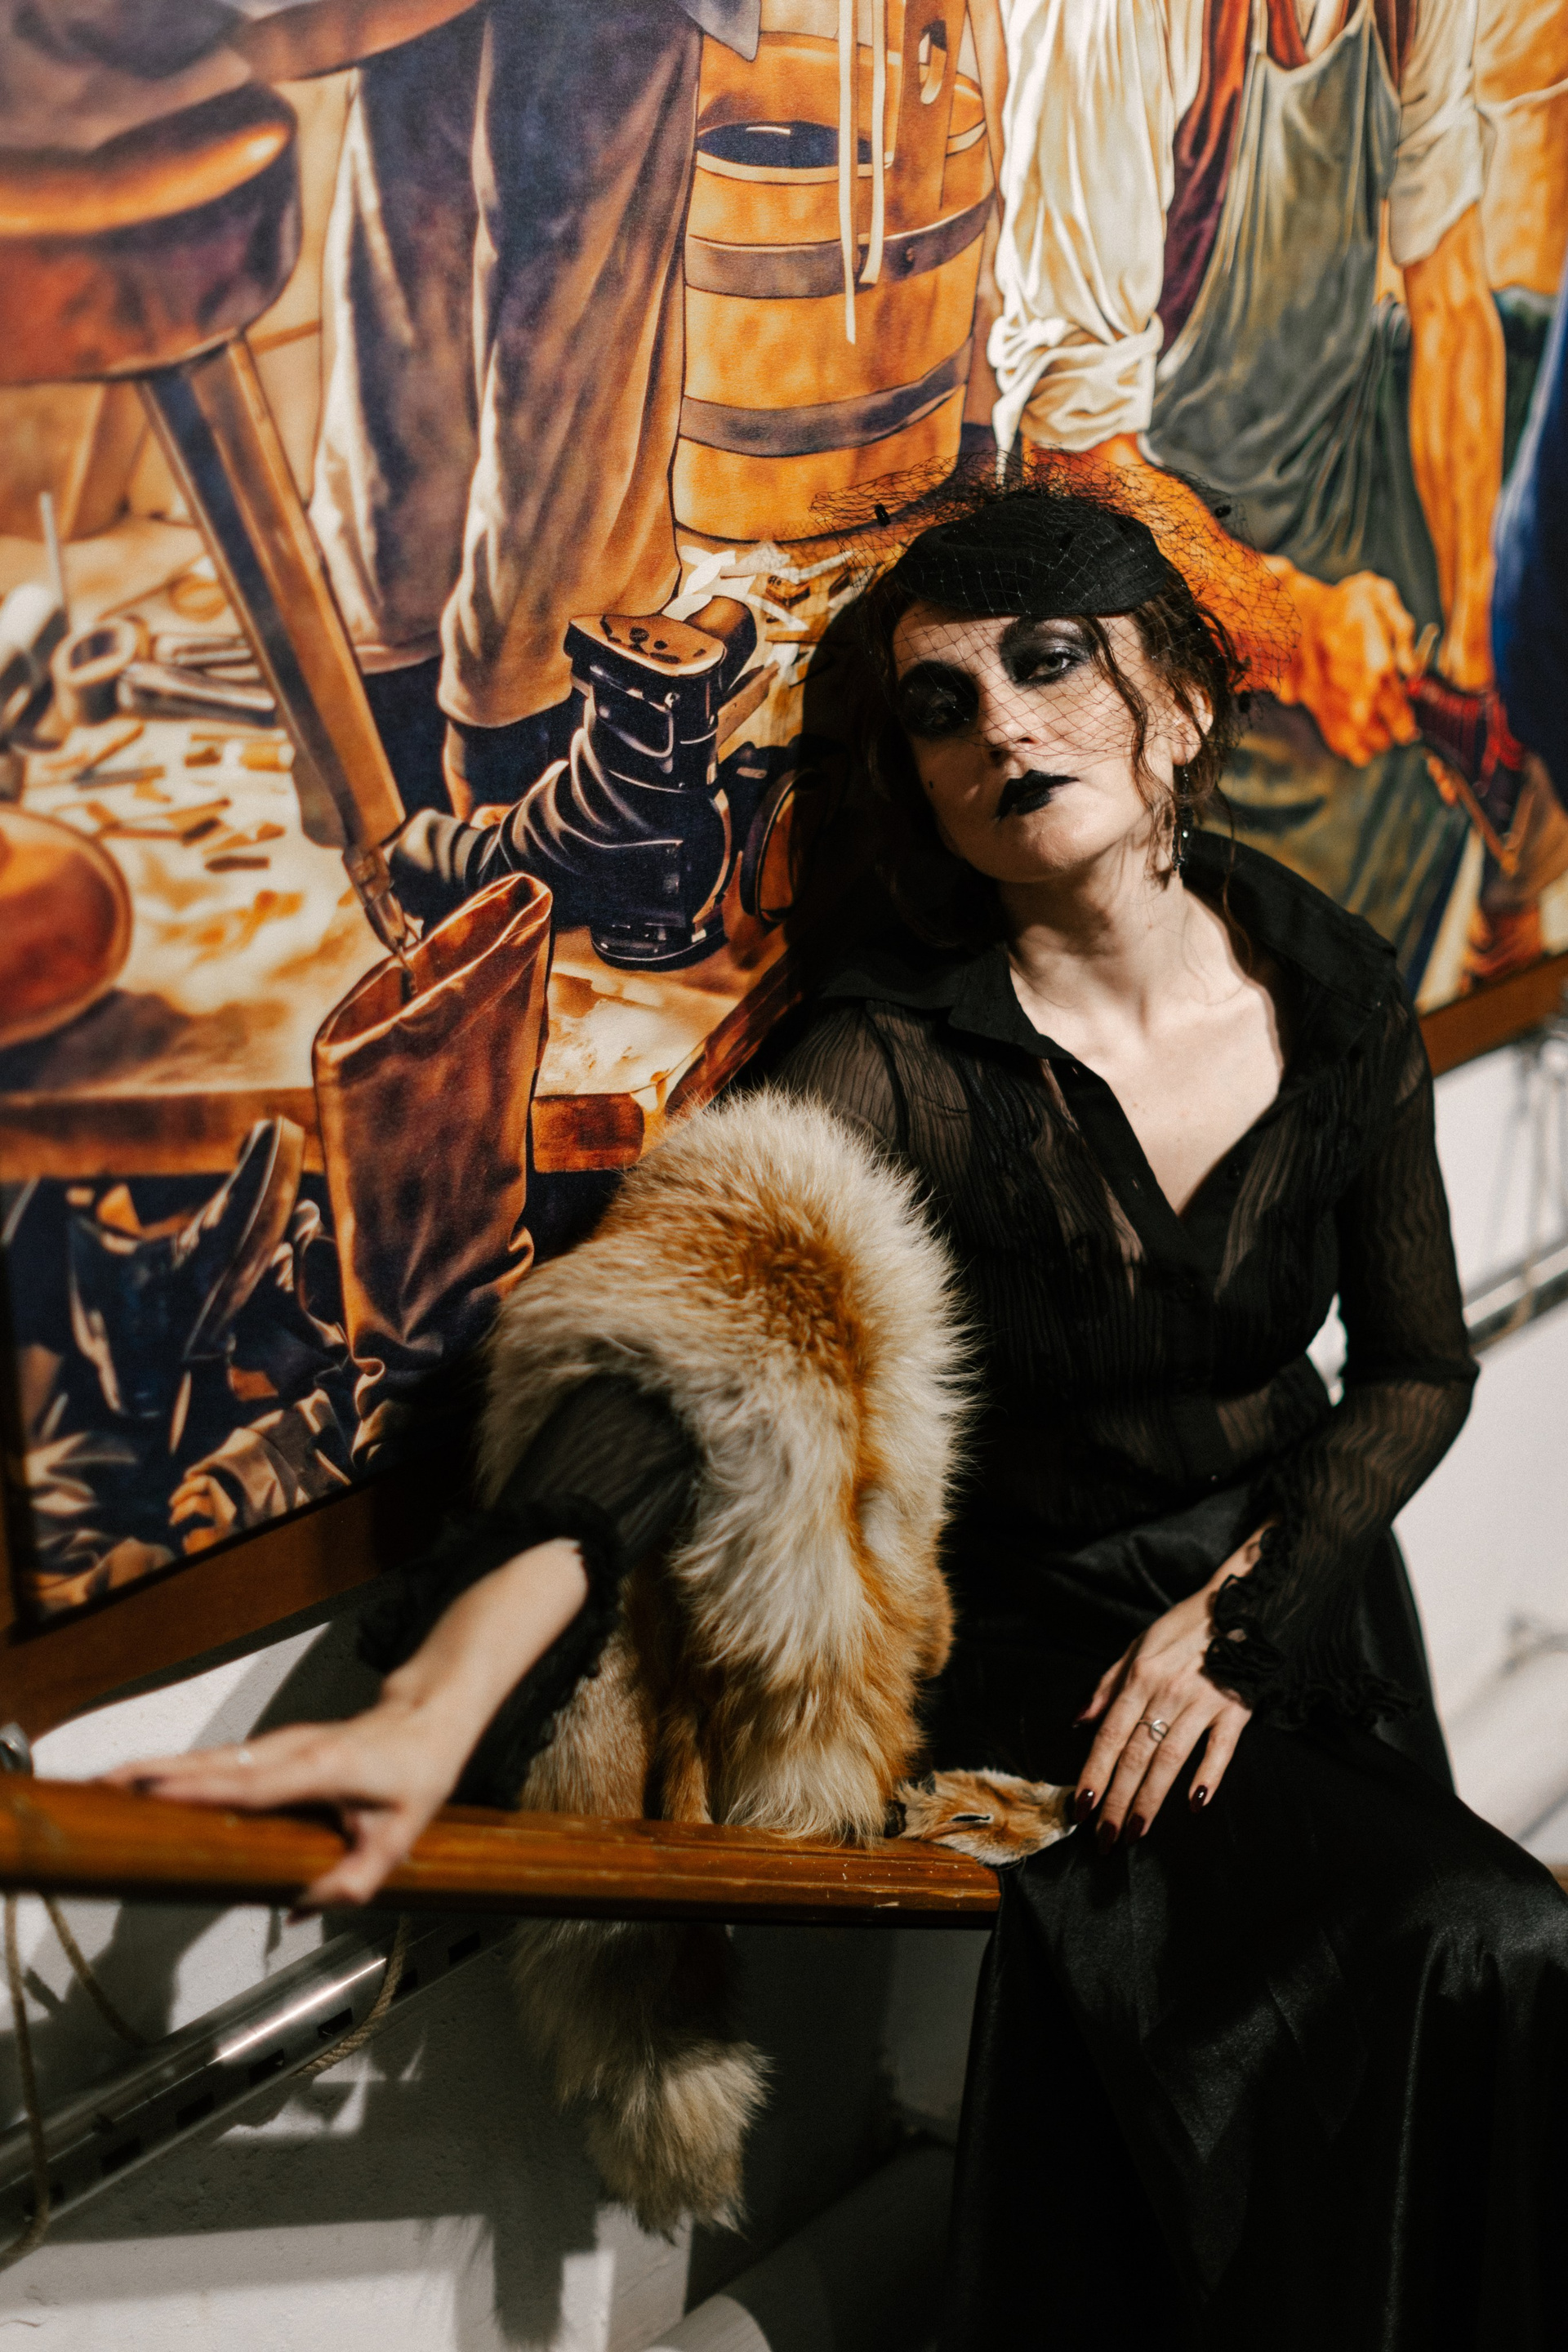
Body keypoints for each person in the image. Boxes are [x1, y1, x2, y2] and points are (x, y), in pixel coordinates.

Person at [109, 480, 1568, 2345]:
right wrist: (438, 1698)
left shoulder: (1333, 977)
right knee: (1480, 1952)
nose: (999, 726)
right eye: (942, 706)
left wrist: (1253, 1609)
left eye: (1050, 662)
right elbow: (674, 1372)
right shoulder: (894, 1053)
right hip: (1062, 1658)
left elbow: (1421, 1365)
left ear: (1185, 699)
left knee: (1373, 2094)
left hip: (1300, 1596)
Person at [988, 0, 1568, 987]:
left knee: (1530, 371)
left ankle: (1505, 924)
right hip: (1161, 534)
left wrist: (1474, 648)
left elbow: (1449, 299)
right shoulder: (1121, 23)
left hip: (1328, 438)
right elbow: (1074, 460)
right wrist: (1298, 632)